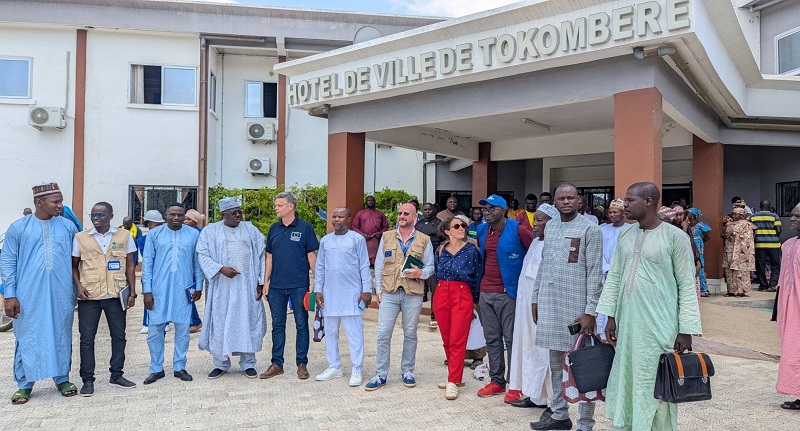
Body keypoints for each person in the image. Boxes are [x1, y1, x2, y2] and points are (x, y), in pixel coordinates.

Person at [597, 182, 702, 431]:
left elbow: (687, 285)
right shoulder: (626, 234)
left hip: (661, 326)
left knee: (657, 383)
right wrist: (610, 316)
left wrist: (686, 329)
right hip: (628, 324)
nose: (625, 205)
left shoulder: (675, 237)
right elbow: (615, 277)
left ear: (648, 201)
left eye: (630, 200)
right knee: (628, 378)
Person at [530, 183, 602, 431]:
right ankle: (560, 414)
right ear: (555, 202)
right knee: (555, 362)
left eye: (571, 197)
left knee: (583, 366)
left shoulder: (590, 230)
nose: (566, 201)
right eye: (561, 198)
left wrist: (590, 311)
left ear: (579, 200)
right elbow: (543, 265)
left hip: (577, 308)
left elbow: (594, 274)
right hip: (550, 303)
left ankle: (586, 423)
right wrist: (535, 297)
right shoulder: (550, 227)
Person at [1, 183, 79, 404]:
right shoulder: (18, 228)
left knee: (61, 334)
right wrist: (10, 295)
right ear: (39, 202)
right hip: (28, 294)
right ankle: (24, 384)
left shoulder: (68, 227)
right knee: (27, 336)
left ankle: (62, 378)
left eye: (61, 201)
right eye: (56, 202)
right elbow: (7, 262)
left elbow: (77, 262)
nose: (60, 206)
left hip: (61, 294)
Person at [364, 203, 434, 391]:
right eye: (399, 213)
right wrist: (378, 290)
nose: (401, 216)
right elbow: (379, 265)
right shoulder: (387, 237)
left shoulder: (424, 239)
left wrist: (421, 273)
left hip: (413, 293)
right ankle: (381, 374)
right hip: (389, 291)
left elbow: (431, 267)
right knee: (383, 334)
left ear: (414, 218)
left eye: (406, 214)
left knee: (410, 333)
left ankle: (408, 371)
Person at [196, 198, 267, 380]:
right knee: (220, 323)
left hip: (247, 287)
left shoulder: (251, 229)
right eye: (233, 213)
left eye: (239, 212)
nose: (238, 216)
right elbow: (202, 255)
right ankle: (220, 364)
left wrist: (260, 281)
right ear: (223, 215)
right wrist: (220, 269)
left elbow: (261, 255)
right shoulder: (210, 231)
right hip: (222, 287)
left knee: (248, 321)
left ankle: (248, 363)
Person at [72, 202, 138, 396]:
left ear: (111, 215)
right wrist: (79, 286)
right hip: (89, 296)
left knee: (119, 337)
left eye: (100, 214)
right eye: (93, 214)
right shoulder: (81, 237)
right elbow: (74, 266)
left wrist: (132, 293)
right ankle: (87, 380)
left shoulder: (124, 236)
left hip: (116, 295)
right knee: (87, 339)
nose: (96, 217)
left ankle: (116, 375)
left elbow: (131, 266)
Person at [475, 194, 533, 403]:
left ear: (503, 210)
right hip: (485, 292)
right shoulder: (482, 230)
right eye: (485, 209)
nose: (486, 212)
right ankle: (497, 381)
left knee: (512, 339)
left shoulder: (518, 229)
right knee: (491, 338)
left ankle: (516, 384)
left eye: (491, 208)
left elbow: (534, 253)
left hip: (509, 293)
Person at [141, 203, 203, 385]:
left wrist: (199, 286)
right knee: (155, 330)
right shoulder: (154, 235)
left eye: (179, 215)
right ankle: (156, 369)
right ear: (166, 215)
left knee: (183, 329)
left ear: (184, 216)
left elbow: (197, 262)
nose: (176, 218)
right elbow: (148, 265)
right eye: (172, 214)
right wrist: (147, 291)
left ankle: (179, 367)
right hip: (158, 289)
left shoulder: (193, 235)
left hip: (183, 289)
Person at [261, 191, 319, 380]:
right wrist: (266, 282)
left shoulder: (305, 228)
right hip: (276, 286)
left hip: (299, 286)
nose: (275, 208)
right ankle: (277, 364)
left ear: (290, 207)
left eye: (279, 205)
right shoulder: (274, 229)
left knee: (302, 325)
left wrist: (318, 282)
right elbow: (269, 257)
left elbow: (311, 256)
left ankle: (302, 364)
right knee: (278, 325)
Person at [313, 207, 373, 387]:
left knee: (354, 334)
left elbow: (364, 265)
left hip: (352, 294)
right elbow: (320, 267)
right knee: (331, 332)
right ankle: (334, 366)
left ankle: (357, 369)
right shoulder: (325, 241)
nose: (336, 219)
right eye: (334, 216)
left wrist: (366, 290)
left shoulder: (357, 239)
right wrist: (318, 290)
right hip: (329, 295)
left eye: (340, 216)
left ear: (348, 219)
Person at [508, 203, 559, 409]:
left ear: (552, 223)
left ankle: (550, 400)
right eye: (534, 219)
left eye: (540, 220)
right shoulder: (536, 243)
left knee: (543, 352)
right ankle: (533, 394)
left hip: (542, 310)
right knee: (527, 347)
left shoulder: (554, 245)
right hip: (525, 309)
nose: (534, 224)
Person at [433, 215, 483, 400]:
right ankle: (454, 377)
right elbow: (437, 274)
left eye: (464, 225)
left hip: (462, 293)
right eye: (457, 226)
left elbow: (477, 276)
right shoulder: (440, 250)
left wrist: (475, 301)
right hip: (441, 293)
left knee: (457, 338)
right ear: (447, 231)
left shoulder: (471, 250)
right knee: (446, 338)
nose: (462, 228)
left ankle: (453, 380)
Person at [776, 203, 800, 410]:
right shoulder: (788, 244)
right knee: (793, 351)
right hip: (790, 308)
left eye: (797, 217)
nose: (792, 219)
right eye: (792, 215)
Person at [597, 198, 629, 337]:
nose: (612, 215)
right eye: (610, 212)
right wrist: (606, 268)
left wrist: (615, 269)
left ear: (622, 213)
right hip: (603, 273)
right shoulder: (602, 229)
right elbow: (597, 250)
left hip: (622, 274)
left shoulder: (630, 229)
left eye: (615, 212)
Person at [138, 209, 166, 334]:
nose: (158, 227)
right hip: (150, 273)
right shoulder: (143, 240)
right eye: (155, 224)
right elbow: (148, 257)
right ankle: (147, 322)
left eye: (160, 224)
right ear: (148, 224)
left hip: (163, 273)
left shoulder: (166, 238)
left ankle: (165, 321)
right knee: (149, 298)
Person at [415, 202, 442, 327]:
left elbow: (443, 240)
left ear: (434, 210)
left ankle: (434, 316)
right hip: (419, 259)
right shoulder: (418, 224)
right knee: (416, 289)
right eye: (425, 210)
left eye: (429, 209)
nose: (427, 212)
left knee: (434, 289)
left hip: (434, 260)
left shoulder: (439, 224)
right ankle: (414, 316)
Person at [723, 207, 756, 297]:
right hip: (729, 250)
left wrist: (734, 234)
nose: (733, 216)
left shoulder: (747, 224)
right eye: (732, 213)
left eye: (736, 214)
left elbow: (747, 238)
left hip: (741, 252)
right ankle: (731, 291)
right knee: (729, 271)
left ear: (741, 215)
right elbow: (724, 235)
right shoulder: (729, 224)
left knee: (740, 272)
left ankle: (741, 291)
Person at [752, 200, 782, 292]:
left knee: (760, 265)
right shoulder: (774, 216)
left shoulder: (753, 217)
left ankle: (763, 285)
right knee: (775, 264)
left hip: (759, 244)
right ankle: (773, 284)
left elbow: (752, 231)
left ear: (760, 206)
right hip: (773, 244)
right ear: (769, 206)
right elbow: (779, 230)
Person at [183, 209, 205, 333]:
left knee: (189, 295)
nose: (185, 221)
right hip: (187, 268)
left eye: (188, 219)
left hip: (193, 269)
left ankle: (195, 321)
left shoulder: (197, 234)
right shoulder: (186, 232)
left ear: (195, 222)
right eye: (185, 218)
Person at [351, 195, 389, 267]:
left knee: (376, 262)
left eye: (372, 200)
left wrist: (380, 233)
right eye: (369, 200)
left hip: (376, 241)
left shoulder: (380, 214)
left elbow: (385, 226)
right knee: (363, 261)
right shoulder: (360, 214)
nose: (371, 202)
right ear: (366, 202)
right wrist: (362, 235)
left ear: (375, 202)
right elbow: (354, 227)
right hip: (364, 240)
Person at [686, 207, 711, 297]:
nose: (686, 215)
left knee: (700, 266)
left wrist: (699, 242)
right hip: (689, 246)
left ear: (693, 215)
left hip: (698, 248)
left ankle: (704, 289)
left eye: (688, 213)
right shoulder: (686, 225)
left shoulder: (700, 225)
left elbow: (708, 236)